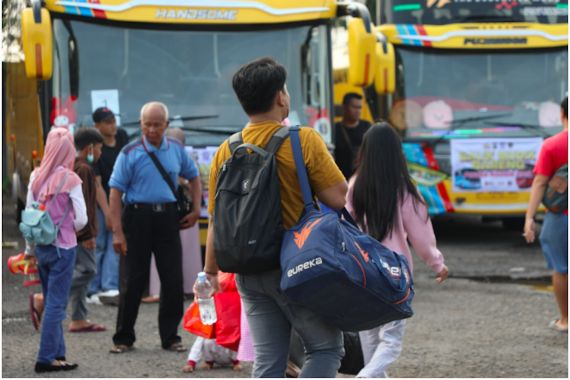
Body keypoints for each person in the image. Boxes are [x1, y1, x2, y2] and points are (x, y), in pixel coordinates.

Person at [203, 57, 347, 377]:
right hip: (298, 266)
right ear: (281, 96)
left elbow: (217, 220)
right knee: (325, 348)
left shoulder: (225, 151)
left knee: (269, 359)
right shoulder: (302, 139)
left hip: (248, 271)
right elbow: (339, 198)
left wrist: (210, 271)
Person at [346, 122, 449, 378]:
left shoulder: (355, 184)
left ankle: (368, 374)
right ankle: (365, 376)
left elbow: (344, 226)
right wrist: (437, 263)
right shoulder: (404, 188)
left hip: (360, 272)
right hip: (394, 274)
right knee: (391, 339)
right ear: (396, 152)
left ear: (366, 151)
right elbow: (421, 235)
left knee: (368, 336)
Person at [108, 101, 202, 354]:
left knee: (172, 279)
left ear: (166, 125)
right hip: (137, 219)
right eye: (147, 124)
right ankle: (124, 337)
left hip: (167, 219)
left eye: (157, 124)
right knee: (132, 280)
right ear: (140, 125)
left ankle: (171, 337)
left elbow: (194, 177)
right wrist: (117, 231)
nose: (152, 129)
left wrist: (195, 209)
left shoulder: (176, 150)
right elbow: (115, 192)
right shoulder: (129, 152)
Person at [26, 127, 87, 372]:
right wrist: (67, 227)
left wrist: (29, 249)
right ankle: (46, 357)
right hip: (64, 247)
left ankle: (59, 355)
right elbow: (82, 218)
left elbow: (30, 216)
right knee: (56, 305)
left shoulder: (35, 176)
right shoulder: (71, 179)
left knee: (52, 299)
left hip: (41, 246)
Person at [524, 96, 568, 332]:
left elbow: (540, 183)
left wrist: (529, 218)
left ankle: (566, 319)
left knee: (561, 269)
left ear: (561, 114)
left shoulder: (552, 145)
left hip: (560, 216)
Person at [146, 127, 203, 303]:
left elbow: (196, 182)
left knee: (187, 250)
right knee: (168, 250)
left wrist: (183, 183)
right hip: (173, 210)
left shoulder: (186, 158)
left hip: (182, 210)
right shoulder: (165, 156)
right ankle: (164, 290)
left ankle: (188, 288)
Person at [67, 128, 107, 333]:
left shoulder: (76, 166)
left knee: (83, 271)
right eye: (99, 148)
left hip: (78, 232)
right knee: (88, 270)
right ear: (90, 148)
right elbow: (85, 206)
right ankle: (46, 297)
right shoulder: (84, 169)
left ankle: (78, 318)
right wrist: (88, 235)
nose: (100, 153)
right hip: (83, 232)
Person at [88, 107, 129, 306]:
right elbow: (97, 185)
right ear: (97, 126)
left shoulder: (122, 137)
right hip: (101, 202)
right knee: (100, 244)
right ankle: (92, 289)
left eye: (113, 120)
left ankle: (109, 286)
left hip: (121, 201)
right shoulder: (93, 148)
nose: (113, 125)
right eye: (107, 122)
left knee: (115, 244)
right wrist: (107, 213)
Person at [334, 92, 371, 179]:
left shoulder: (367, 127)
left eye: (360, 107)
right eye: (354, 107)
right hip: (341, 179)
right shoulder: (335, 129)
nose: (358, 111)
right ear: (345, 107)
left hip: (363, 178)